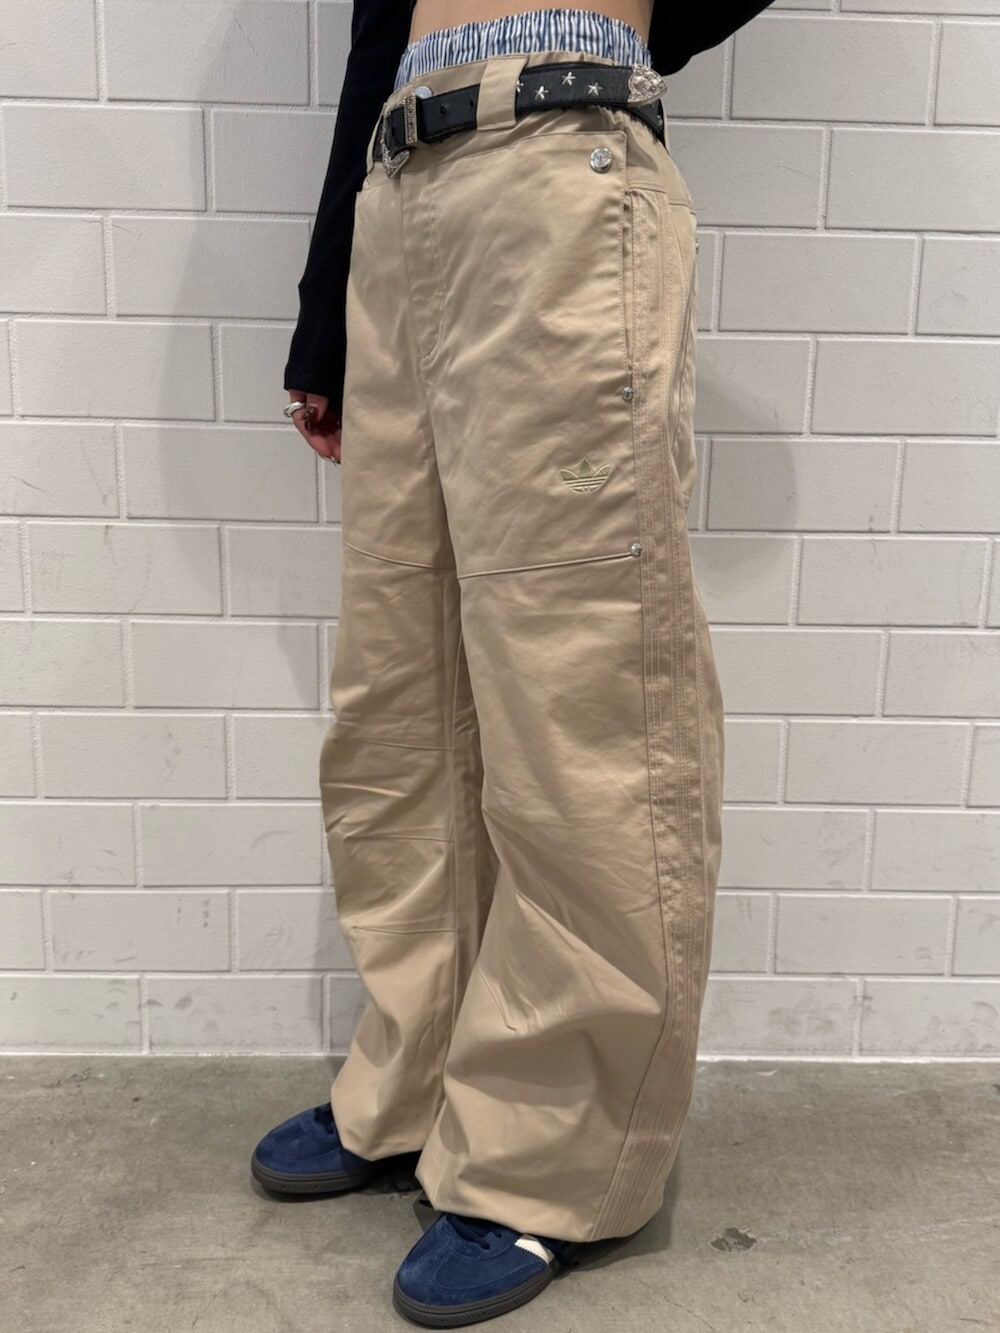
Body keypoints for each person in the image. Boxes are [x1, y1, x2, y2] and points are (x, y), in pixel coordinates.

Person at [254, 2, 775, 1326]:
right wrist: (327, 310)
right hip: (402, 189)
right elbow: (378, 27)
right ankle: (419, 1081)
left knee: (577, 690)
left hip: (556, 165)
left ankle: (550, 1157)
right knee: (398, 694)